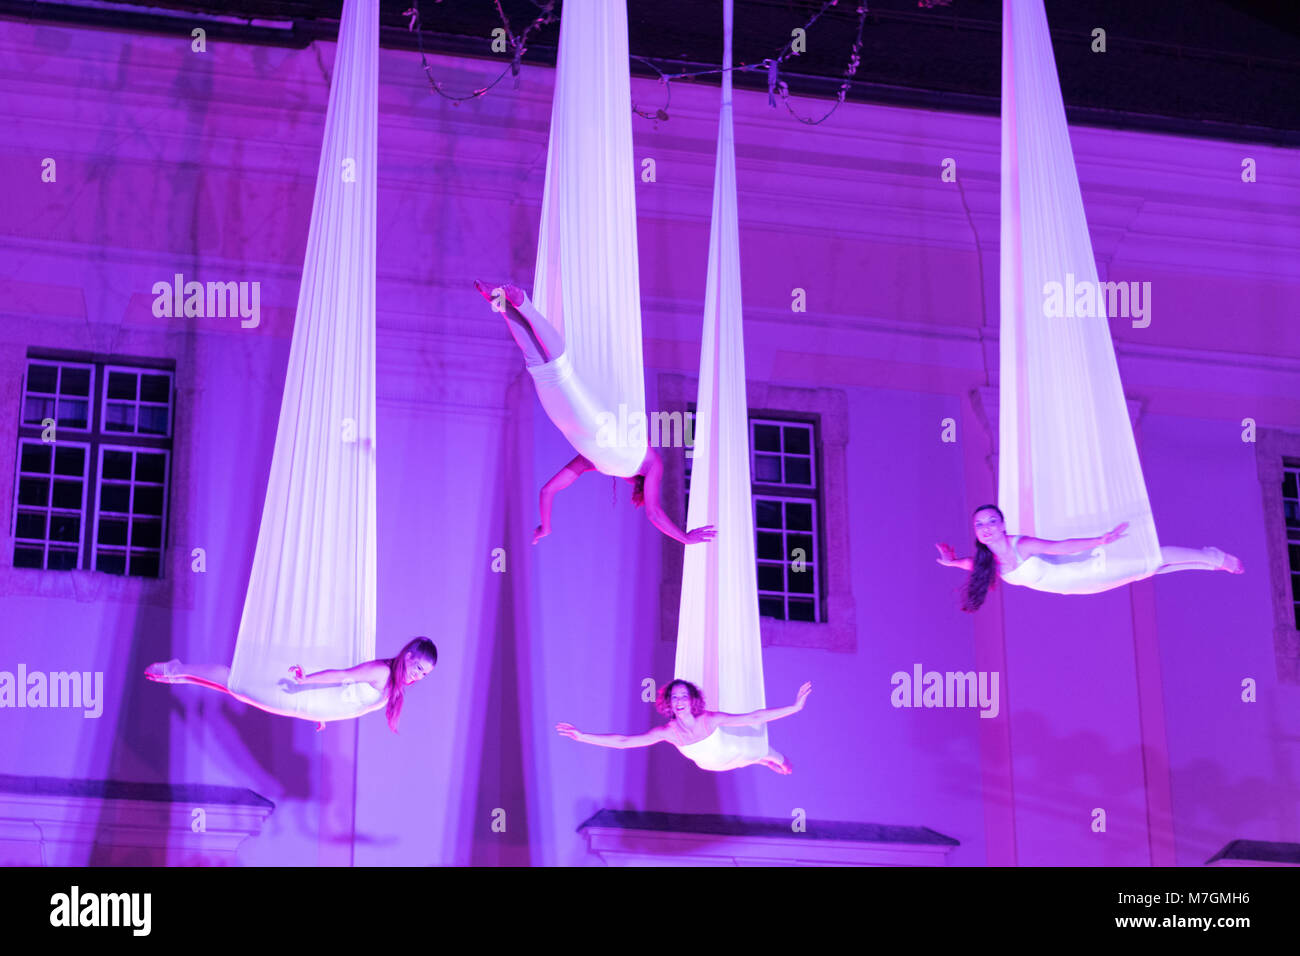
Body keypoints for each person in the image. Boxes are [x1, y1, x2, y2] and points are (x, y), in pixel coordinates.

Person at [476, 280, 716, 547]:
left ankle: (522, 303)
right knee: (539, 362)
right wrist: (546, 526)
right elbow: (547, 490)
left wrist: (685, 538)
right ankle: (499, 302)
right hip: (561, 416)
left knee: (560, 363)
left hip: (586, 417)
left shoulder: (650, 462)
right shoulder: (594, 462)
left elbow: (654, 512)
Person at [936, 504, 1244, 611]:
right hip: (1079, 587)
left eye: (991, 522)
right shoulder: (989, 560)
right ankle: (1210, 560)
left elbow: (1061, 547)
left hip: (1088, 571)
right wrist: (951, 563)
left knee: (1150, 559)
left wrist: (1099, 540)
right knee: (1148, 569)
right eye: (980, 525)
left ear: (1002, 525)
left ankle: (1214, 558)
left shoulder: (1022, 545)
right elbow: (972, 564)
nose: (986, 528)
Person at [145, 637, 437, 732]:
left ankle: (178, 672)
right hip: (302, 695)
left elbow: (350, 702)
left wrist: (324, 715)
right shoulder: (381, 673)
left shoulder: (395, 686)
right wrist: (307, 680)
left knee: (239, 687)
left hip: (312, 706)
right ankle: (177, 670)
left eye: (424, 675)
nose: (417, 676)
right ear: (408, 655)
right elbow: (341, 675)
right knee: (238, 684)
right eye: (418, 667)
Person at [556, 678, 811, 774]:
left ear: (692, 700)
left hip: (733, 751)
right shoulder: (669, 732)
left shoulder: (709, 718)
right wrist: (583, 736)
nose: (679, 701)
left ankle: (771, 757)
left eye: (683, 696)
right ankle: (761, 759)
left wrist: (794, 707)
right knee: (746, 758)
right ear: (669, 702)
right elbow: (625, 742)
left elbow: (753, 717)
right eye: (674, 697)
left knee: (753, 750)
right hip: (711, 765)